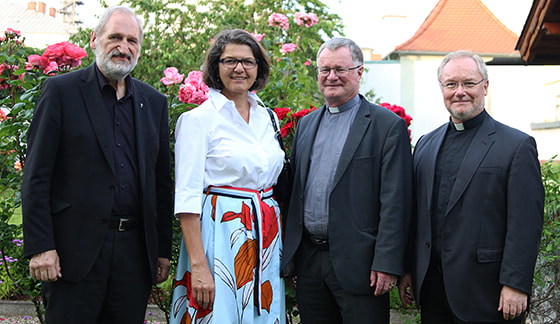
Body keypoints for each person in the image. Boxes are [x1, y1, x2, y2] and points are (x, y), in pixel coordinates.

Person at [22, 6, 173, 323]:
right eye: (115, 37)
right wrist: (41, 246)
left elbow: (161, 183)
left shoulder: (154, 103)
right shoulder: (61, 92)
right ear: (94, 39)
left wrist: (160, 250)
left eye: (132, 40)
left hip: (134, 255)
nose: (124, 47)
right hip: (73, 252)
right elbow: (36, 175)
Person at [399, 50, 544, 323]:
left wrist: (515, 283)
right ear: (442, 88)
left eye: (469, 83)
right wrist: (408, 269)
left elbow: (525, 224)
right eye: (451, 84)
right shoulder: (425, 145)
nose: (460, 92)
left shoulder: (516, 146)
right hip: (433, 291)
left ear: (485, 86)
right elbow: (415, 215)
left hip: (488, 293)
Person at [280, 37, 413, 323]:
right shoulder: (306, 125)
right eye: (325, 70)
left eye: (340, 69)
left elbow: (396, 201)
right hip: (310, 260)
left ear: (359, 72)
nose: (332, 76)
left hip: (362, 266)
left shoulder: (387, 127)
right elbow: (295, 194)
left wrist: (387, 263)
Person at [170, 29, 286, 323]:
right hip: (219, 236)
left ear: (258, 67)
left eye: (248, 61)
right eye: (230, 61)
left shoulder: (268, 117)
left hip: (266, 238)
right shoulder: (198, 120)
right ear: (215, 66)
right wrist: (198, 265)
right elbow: (187, 197)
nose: (239, 68)